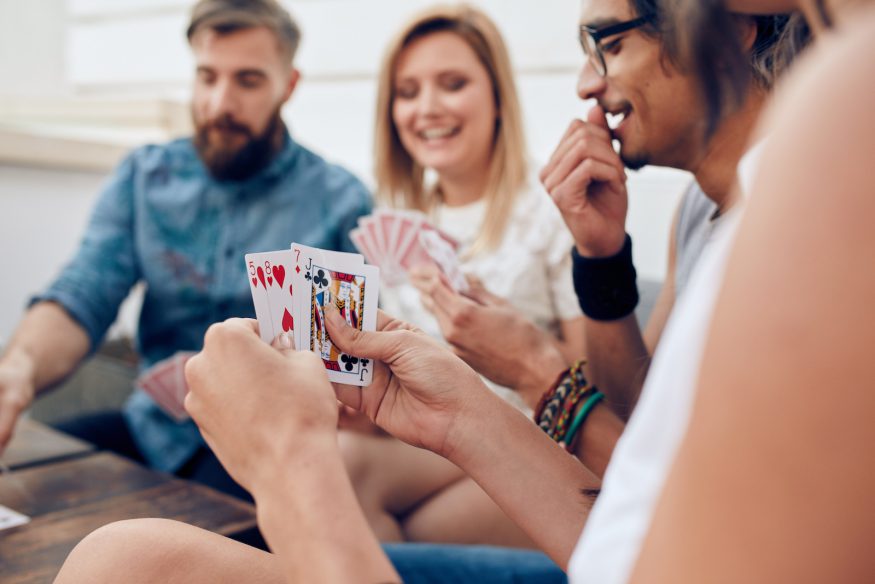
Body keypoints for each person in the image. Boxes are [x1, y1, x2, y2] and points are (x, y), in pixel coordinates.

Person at [55, 0, 875, 583]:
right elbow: (637, 492)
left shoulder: (832, 164)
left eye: (608, 41)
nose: (587, 85)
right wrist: (453, 408)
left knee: (312, 492)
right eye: (406, 92)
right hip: (569, 518)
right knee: (122, 558)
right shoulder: (707, 208)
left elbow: (643, 493)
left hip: (551, 501)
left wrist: (286, 459)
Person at [0, 0, 371, 500]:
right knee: (25, 488)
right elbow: (85, 290)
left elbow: (350, 354)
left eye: (248, 81)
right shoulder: (142, 177)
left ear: (289, 85)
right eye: (207, 77)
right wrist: (19, 368)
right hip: (153, 429)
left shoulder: (341, 199)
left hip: (264, 448)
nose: (221, 103)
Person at [416, 0, 799, 422]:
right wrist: (601, 258)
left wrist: (535, 370)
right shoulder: (695, 208)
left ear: (723, 36)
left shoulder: (797, 222)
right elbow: (637, 423)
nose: (585, 86)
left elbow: (659, 480)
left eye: (611, 46)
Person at [338, 5, 587, 549]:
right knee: (336, 460)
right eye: (407, 91)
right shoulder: (399, 213)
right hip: (425, 431)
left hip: (530, 435)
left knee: (389, 521)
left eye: (452, 84)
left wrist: (512, 339)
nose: (426, 108)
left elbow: (600, 387)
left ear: (498, 96)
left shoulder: (553, 209)